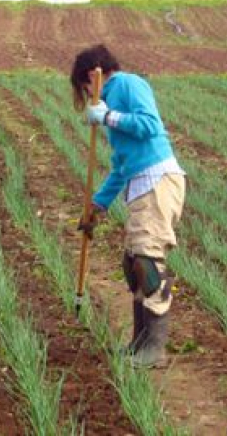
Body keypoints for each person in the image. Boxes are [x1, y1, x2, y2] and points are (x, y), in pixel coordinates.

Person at [71, 44, 185, 368]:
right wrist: (97, 204)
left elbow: (150, 125)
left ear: (94, 75)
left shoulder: (129, 84)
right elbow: (121, 165)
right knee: (133, 263)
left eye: (84, 88)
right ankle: (140, 342)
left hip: (158, 180)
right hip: (139, 184)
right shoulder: (111, 99)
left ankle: (154, 349)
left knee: (148, 261)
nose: (87, 95)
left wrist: (108, 115)